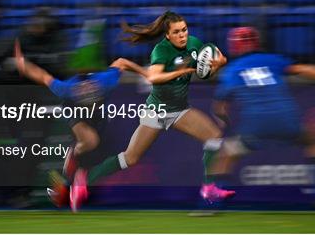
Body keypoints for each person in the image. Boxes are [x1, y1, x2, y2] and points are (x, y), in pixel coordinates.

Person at [68, 11, 234, 210]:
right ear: (167, 35)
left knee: (214, 136)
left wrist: (219, 63)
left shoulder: (195, 44)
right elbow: (153, 78)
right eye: (177, 32)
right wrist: (184, 71)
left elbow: (212, 64)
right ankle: (85, 179)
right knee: (130, 158)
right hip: (156, 111)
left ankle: (209, 188)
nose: (182, 35)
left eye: (184, 30)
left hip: (179, 110)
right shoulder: (161, 51)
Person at [203, 26, 315, 204]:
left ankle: (212, 203)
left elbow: (219, 107)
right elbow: (304, 69)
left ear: (233, 46)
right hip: (287, 120)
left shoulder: (231, 70)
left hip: (255, 126)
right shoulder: (272, 59)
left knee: (225, 155)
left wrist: (224, 123)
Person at [14, 39, 149, 211]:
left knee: (97, 155)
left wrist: (144, 72)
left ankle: (70, 185)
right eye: (82, 90)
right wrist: (23, 65)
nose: (85, 91)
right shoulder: (67, 88)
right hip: (73, 112)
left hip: (97, 118)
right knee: (90, 141)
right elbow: (43, 76)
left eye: (89, 90)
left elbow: (121, 62)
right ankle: (75, 152)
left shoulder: (105, 80)